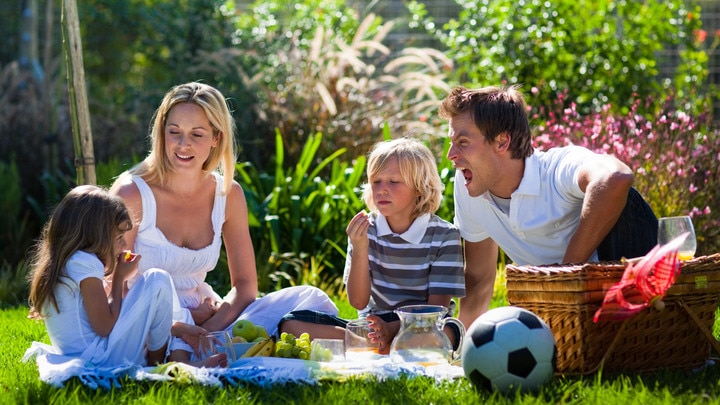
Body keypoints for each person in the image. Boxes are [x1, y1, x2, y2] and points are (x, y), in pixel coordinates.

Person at [110, 82, 337, 363]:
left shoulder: (227, 194)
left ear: (216, 138)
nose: (184, 144)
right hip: (143, 322)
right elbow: (112, 283)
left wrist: (208, 329)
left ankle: (364, 341)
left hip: (209, 319)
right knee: (170, 342)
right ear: (162, 133)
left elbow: (244, 286)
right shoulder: (131, 193)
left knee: (309, 298)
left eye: (197, 134)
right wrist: (183, 323)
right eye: (174, 132)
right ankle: (193, 357)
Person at [439, 85, 659, 327]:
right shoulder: (468, 184)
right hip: (566, 318)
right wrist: (464, 347)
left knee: (625, 198)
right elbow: (479, 278)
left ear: (501, 141)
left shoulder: (555, 170)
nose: (451, 154)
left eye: (463, 142)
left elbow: (616, 177)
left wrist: (566, 274)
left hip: (623, 290)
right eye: (452, 141)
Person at [280, 138, 465, 354]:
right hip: (374, 324)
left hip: (425, 324)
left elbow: (437, 309)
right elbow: (358, 302)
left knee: (450, 332)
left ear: (420, 188)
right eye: (376, 181)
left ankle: (379, 346)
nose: (382, 190)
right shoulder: (365, 230)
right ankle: (384, 347)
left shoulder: (445, 235)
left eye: (393, 182)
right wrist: (360, 248)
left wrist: (393, 328)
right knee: (290, 324)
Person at [26, 185, 226, 367]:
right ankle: (160, 366)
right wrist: (119, 279)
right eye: (119, 237)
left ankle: (175, 344)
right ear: (95, 235)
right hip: (98, 358)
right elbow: (105, 327)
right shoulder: (84, 263)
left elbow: (112, 321)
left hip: (93, 353)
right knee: (157, 279)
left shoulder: (68, 262)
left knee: (156, 287)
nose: (123, 245)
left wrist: (174, 327)